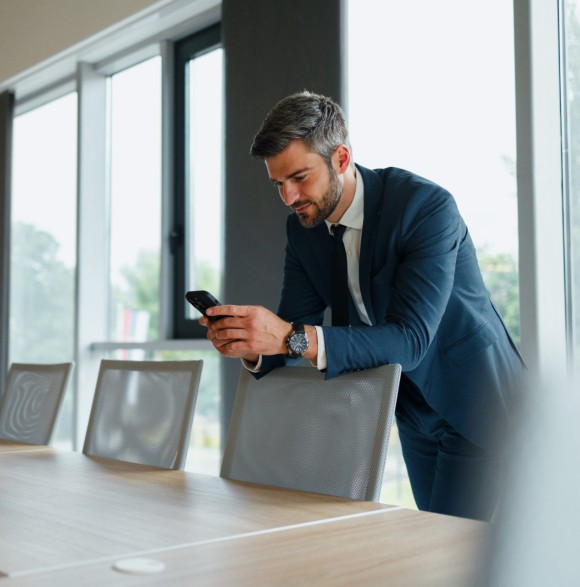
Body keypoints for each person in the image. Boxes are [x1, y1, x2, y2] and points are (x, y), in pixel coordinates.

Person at [201, 90, 526, 520]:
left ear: (340, 158)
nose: (288, 196)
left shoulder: (425, 208)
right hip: (411, 409)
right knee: (436, 545)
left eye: (299, 177)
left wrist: (288, 337)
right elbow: (297, 329)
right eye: (278, 183)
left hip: (476, 406)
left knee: (461, 556)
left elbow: (410, 340)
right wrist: (255, 346)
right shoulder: (304, 230)